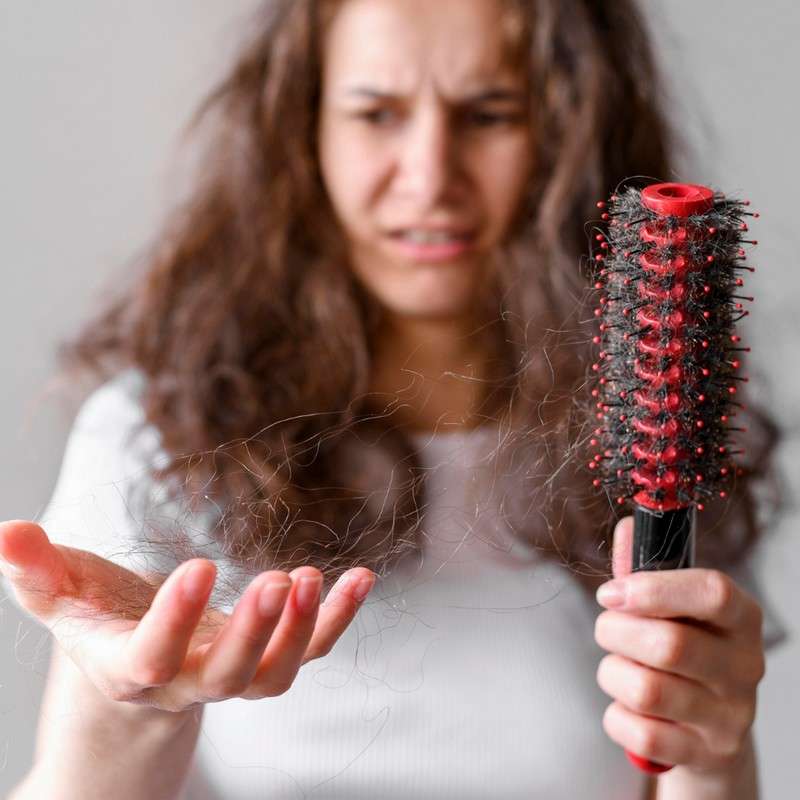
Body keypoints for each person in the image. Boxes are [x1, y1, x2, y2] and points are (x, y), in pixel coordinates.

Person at [0, 1, 786, 798]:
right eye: (376, 113)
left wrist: (711, 751)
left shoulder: (665, 435)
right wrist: (135, 705)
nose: (430, 175)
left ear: (569, 130)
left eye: (489, 113)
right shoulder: (155, 436)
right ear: (304, 130)